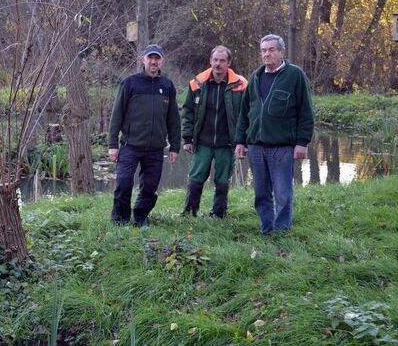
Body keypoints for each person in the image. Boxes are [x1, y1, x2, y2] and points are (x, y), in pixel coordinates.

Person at [234, 34, 314, 235]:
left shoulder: (295, 75)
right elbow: (245, 112)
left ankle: (282, 231)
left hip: (282, 147)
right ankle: (266, 229)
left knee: (283, 193)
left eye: (271, 50)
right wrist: (240, 141)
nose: (266, 54)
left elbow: (306, 111)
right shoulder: (255, 77)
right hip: (256, 147)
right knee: (261, 193)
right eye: (263, 50)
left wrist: (302, 142)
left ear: (281, 52)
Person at [108, 44, 181, 227]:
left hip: (155, 148)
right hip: (130, 146)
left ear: (162, 61)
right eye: (150, 58)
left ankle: (140, 218)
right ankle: (120, 220)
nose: (154, 62)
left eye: (157, 58)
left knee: (149, 188)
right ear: (143, 60)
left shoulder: (167, 86)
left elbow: (173, 119)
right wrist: (112, 145)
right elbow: (116, 115)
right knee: (123, 184)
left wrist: (174, 146)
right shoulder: (130, 83)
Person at [181, 45, 247, 218]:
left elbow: (247, 115)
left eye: (222, 61)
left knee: (222, 179)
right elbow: (187, 112)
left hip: (227, 142)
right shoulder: (197, 83)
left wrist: (243, 141)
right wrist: (187, 138)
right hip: (202, 141)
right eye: (215, 60)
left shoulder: (241, 84)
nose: (218, 64)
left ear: (229, 63)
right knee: (196, 177)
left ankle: (219, 213)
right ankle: (189, 212)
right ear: (210, 61)